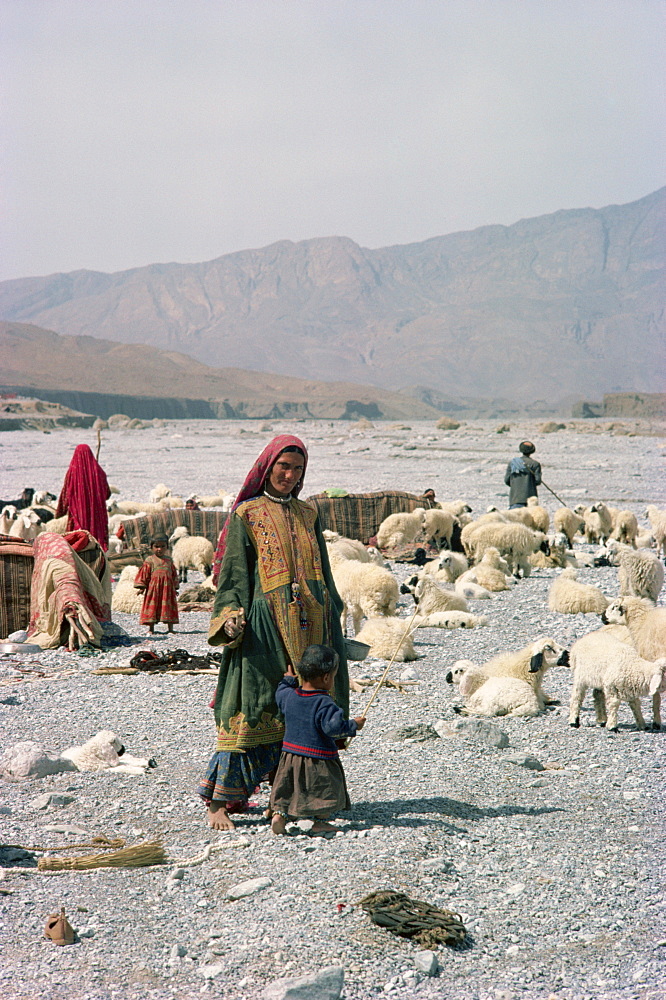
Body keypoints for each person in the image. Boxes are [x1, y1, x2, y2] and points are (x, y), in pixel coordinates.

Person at [198, 434, 349, 832]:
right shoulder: (247, 514)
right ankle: (219, 801)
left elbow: (325, 572)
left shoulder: (309, 514)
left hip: (310, 625)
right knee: (252, 706)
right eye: (283, 466)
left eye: (297, 469)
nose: (289, 475)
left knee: (302, 713)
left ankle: (286, 800)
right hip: (263, 628)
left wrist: (333, 610)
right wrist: (230, 615)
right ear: (268, 467)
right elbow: (233, 575)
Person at [270, 644, 365, 836]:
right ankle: (320, 822)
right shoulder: (324, 703)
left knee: (288, 785)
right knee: (322, 790)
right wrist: (354, 724)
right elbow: (333, 728)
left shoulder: (290, 696)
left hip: (290, 754)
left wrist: (288, 680)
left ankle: (280, 815)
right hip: (318, 757)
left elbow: (279, 694)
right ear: (327, 677)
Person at [56, 444, 111, 550]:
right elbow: (107, 494)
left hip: (78, 515)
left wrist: (60, 512)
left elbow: (65, 495)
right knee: (97, 535)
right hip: (97, 515)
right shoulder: (99, 473)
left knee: (78, 537)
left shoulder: (72, 473)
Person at [133, 534, 179, 634]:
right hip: (153, 589)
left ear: (167, 547)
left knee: (168, 605)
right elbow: (144, 574)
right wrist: (142, 587)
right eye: (157, 546)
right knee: (152, 606)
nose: (160, 549)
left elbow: (174, 574)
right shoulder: (149, 560)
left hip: (168, 589)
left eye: (163, 546)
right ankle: (151, 629)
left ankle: (170, 629)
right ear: (151, 547)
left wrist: (175, 587)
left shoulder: (169, 560)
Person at [504, 440, 542, 508]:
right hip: (531, 500)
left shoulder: (513, 463)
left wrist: (515, 485)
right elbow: (538, 481)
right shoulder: (535, 464)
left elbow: (507, 480)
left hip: (515, 498)